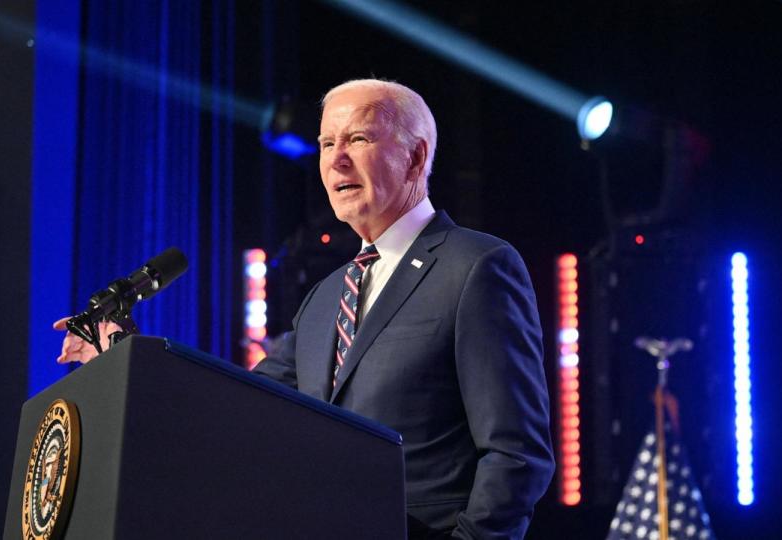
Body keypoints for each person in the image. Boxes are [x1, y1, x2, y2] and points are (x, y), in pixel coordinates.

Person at [55, 79, 554, 539]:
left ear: (415, 157)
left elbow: (516, 454)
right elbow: (232, 405)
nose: (337, 160)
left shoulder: (475, 266)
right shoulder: (324, 299)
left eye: (358, 139)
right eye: (326, 144)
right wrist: (122, 359)